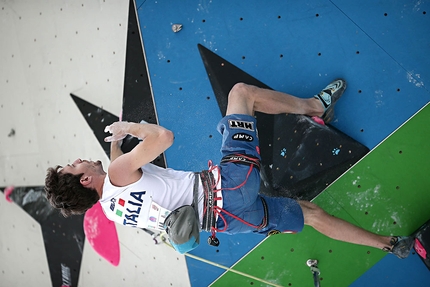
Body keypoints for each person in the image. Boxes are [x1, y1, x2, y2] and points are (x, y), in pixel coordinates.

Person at [44, 80, 413, 257]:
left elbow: (118, 174)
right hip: (233, 185)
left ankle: (391, 244)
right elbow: (163, 137)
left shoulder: (111, 209)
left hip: (228, 221)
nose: (78, 159)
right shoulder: (117, 173)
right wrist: (132, 128)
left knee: (311, 215)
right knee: (240, 94)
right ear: (84, 179)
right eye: (73, 165)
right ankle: (314, 107)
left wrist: (114, 141)